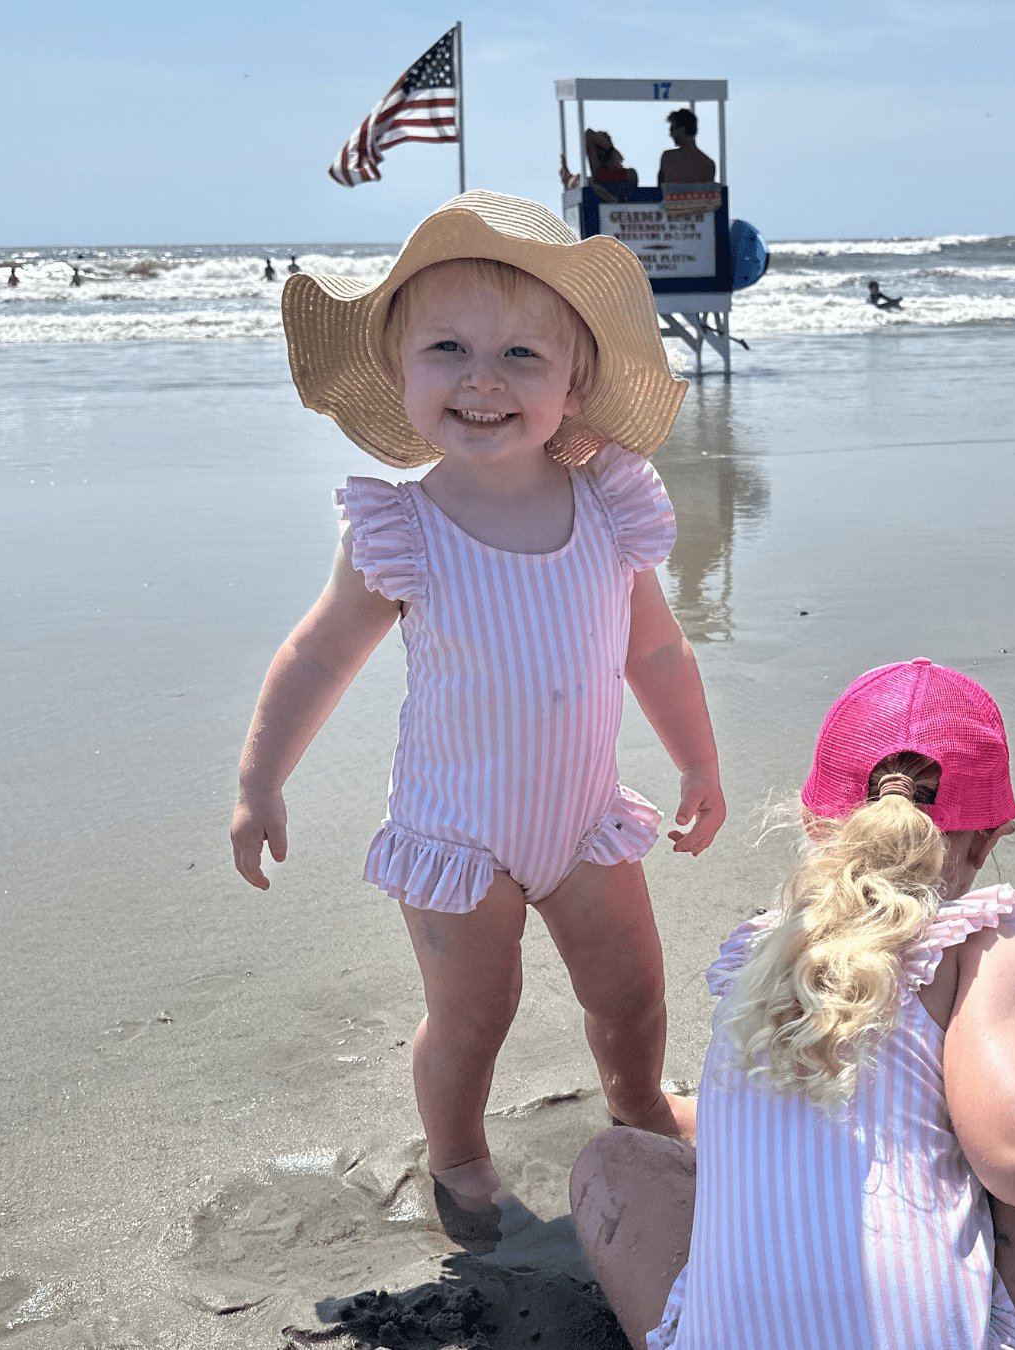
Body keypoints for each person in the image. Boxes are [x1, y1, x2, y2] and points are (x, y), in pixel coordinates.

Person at [231, 191, 725, 1221]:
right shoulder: (402, 532)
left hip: (584, 821)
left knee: (632, 994)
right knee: (472, 1017)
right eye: (447, 348)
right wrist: (261, 778)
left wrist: (699, 767)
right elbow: (318, 656)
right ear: (400, 374)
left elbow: (659, 650)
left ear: (575, 379)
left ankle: (637, 1101)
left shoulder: (608, 510)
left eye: (521, 357)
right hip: (460, 837)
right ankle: (457, 1152)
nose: (482, 379)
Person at [572, 657, 1015, 1350]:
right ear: (992, 835)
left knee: (610, 1161)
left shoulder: (758, 952)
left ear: (813, 819)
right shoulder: (976, 944)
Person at [658, 109, 716, 186]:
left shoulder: (668, 158)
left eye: (672, 130)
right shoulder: (708, 164)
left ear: (682, 129)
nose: (671, 135)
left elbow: (660, 191)